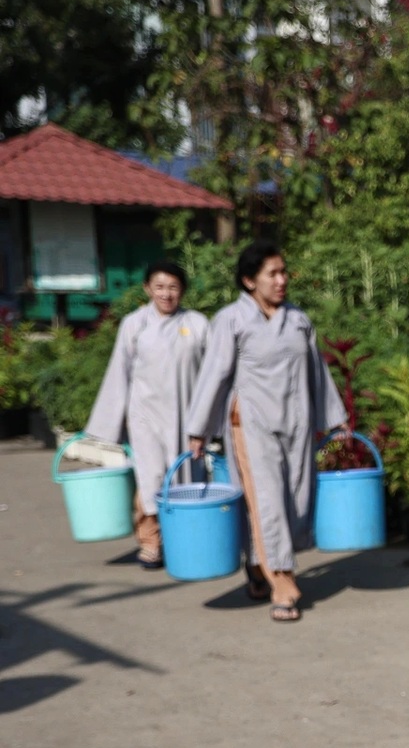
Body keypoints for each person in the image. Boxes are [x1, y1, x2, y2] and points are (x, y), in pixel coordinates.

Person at [185, 242, 347, 622]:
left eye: (283, 272)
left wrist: (334, 418)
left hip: (297, 421)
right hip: (251, 423)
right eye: (272, 274)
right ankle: (283, 585)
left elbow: (317, 373)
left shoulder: (298, 320)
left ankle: (259, 566)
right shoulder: (231, 320)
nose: (282, 280)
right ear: (249, 281)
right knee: (267, 499)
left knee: (295, 499)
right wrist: (199, 429)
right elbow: (214, 375)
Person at [82, 261, 211, 569]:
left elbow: (213, 372)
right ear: (148, 289)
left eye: (173, 287)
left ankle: (186, 539)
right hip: (145, 416)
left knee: (186, 479)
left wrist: (210, 420)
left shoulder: (197, 323)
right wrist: (110, 422)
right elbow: (119, 371)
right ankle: (151, 541)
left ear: (182, 291)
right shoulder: (134, 324)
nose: (166, 294)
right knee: (151, 476)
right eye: (160, 287)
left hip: (187, 417)